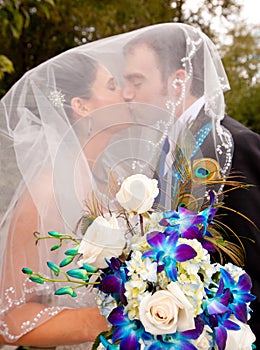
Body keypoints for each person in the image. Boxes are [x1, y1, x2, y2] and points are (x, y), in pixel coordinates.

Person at [122, 23, 260, 346]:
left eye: (136, 81)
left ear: (178, 81)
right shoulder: (166, 147)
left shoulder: (237, 145)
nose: (126, 93)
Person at [0, 49, 131, 348]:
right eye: (111, 86)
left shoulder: (119, 175)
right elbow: (8, 317)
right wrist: (103, 322)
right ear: (81, 106)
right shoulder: (48, 191)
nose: (125, 93)